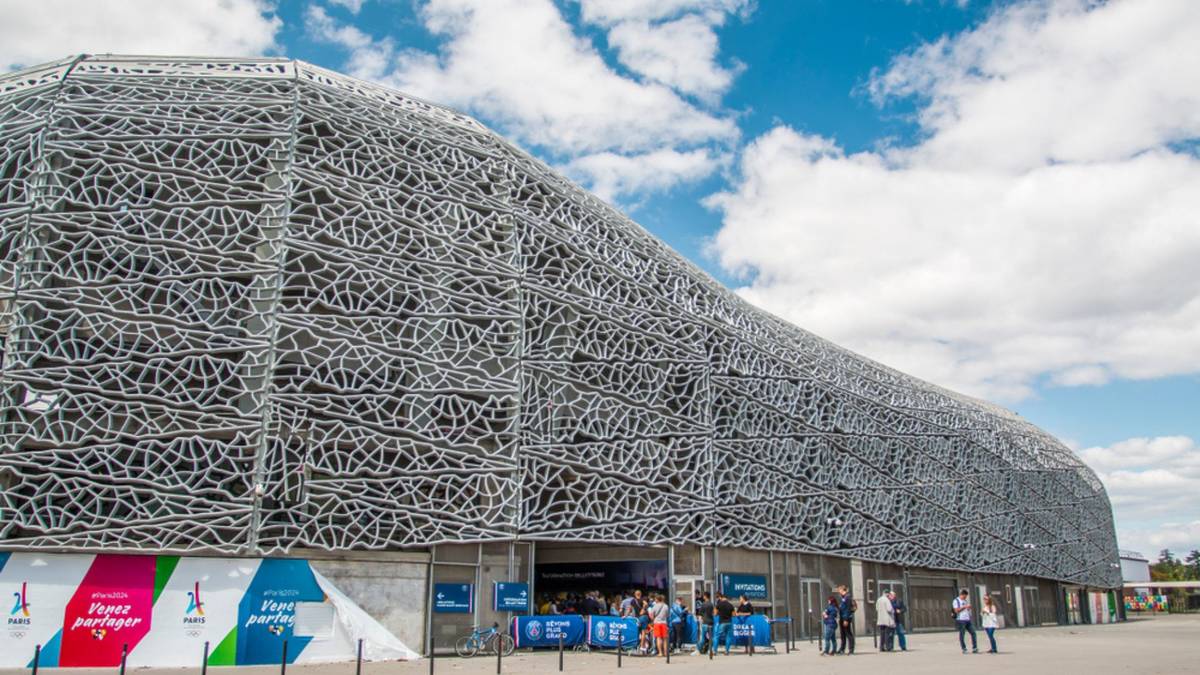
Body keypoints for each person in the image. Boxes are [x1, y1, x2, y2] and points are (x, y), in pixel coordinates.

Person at [953, 589, 978, 654]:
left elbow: (967, 609)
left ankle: (975, 648)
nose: (965, 597)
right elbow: (956, 610)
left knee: (973, 633)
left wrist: (969, 608)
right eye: (965, 596)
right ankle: (964, 648)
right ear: (962, 594)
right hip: (961, 620)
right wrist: (964, 607)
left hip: (967, 619)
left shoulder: (965, 601)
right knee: (962, 634)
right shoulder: (956, 601)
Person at [837, 585, 857, 654]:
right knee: (842, 634)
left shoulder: (847, 598)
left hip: (846, 618)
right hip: (842, 617)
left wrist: (846, 619)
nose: (839, 592)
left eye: (839, 590)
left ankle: (851, 649)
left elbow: (848, 609)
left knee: (848, 633)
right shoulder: (843, 598)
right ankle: (842, 649)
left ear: (843, 590)